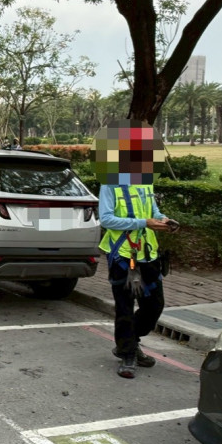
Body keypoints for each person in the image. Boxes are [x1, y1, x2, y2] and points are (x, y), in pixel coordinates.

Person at [93, 121, 179, 379]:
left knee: (155, 305)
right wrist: (144, 223)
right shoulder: (110, 184)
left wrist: (164, 220)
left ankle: (129, 342)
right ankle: (129, 353)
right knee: (125, 306)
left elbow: (153, 213)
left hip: (148, 254)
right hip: (123, 257)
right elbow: (106, 219)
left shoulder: (145, 182)